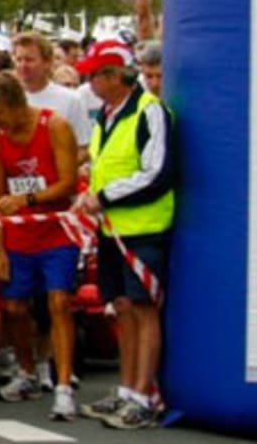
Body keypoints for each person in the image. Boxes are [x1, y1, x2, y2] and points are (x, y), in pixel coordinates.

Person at [71, 40, 175, 431]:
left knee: (144, 310)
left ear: (114, 76)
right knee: (122, 308)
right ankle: (128, 390)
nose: (89, 80)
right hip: (111, 229)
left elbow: (157, 172)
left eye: (94, 74)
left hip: (143, 230)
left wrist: (105, 195)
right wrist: (90, 192)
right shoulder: (106, 114)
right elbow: (105, 165)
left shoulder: (151, 112)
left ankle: (145, 394)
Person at [0, 71, 82, 420]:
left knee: (59, 302)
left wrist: (27, 198)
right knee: (14, 308)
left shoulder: (54, 126)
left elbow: (68, 183)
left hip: (56, 230)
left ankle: (64, 385)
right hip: (18, 235)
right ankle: (27, 370)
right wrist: (0, 248)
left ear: (14, 105)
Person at [13, 32, 92, 156]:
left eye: (29, 60)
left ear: (47, 62)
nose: (23, 65)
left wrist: (56, 170)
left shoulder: (72, 99)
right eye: (18, 59)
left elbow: (84, 148)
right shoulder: (8, 100)